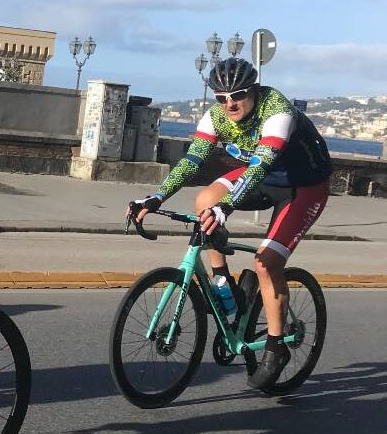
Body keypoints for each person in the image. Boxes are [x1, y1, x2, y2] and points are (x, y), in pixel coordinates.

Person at [130, 57, 331, 390]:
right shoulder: (216, 116)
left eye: (237, 95)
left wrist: (228, 206)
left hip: (303, 186)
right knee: (203, 203)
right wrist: (156, 197)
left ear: (253, 91)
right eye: (221, 97)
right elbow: (193, 161)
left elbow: (260, 165)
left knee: (267, 262)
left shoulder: (277, 111)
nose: (229, 103)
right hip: (261, 178)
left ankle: (276, 346)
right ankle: (225, 285)